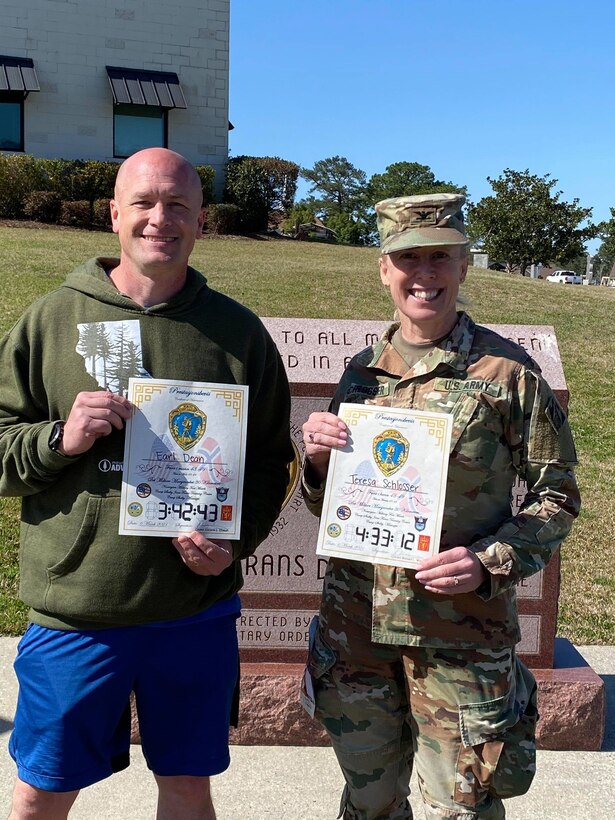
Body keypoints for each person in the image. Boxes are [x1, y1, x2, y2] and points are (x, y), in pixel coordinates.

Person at [0, 147, 293, 820]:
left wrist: (232, 544)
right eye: (144, 203)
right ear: (114, 215)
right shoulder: (51, 321)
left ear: (199, 223)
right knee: (42, 788)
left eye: (178, 206)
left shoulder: (235, 332)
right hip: (79, 608)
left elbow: (269, 462)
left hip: (193, 610)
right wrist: (58, 439)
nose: (160, 219)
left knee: (188, 785)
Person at [301, 193, 580, 820]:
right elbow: (336, 506)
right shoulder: (360, 373)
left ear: (462, 265)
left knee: (461, 810)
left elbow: (557, 496)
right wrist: (318, 463)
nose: (422, 274)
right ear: (383, 269)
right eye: (408, 258)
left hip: (458, 633)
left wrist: (489, 561)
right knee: (368, 801)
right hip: (356, 634)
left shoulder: (507, 374)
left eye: (439, 257)